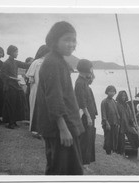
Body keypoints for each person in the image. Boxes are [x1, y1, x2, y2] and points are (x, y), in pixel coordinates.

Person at [36, 21, 84, 175]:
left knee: (66, 169)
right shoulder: (52, 63)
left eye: (74, 40)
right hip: (60, 128)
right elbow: (54, 98)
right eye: (67, 39)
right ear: (54, 41)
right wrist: (63, 129)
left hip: (65, 125)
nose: (71, 44)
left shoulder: (58, 60)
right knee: (61, 170)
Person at [0, 45, 30, 129]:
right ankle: (10, 123)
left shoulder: (16, 62)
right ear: (11, 52)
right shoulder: (6, 63)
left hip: (16, 86)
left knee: (17, 103)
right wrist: (12, 78)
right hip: (9, 86)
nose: (17, 53)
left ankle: (14, 121)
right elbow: (2, 74)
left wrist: (35, 60)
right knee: (10, 104)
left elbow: (25, 65)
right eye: (16, 52)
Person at [74, 59, 98, 165]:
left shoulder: (84, 81)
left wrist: (91, 74)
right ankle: (82, 162)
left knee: (89, 139)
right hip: (85, 115)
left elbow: (92, 79)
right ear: (86, 68)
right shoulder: (80, 82)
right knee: (84, 139)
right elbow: (81, 102)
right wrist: (88, 116)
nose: (92, 69)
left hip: (89, 113)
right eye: (91, 67)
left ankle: (85, 162)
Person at [25, 45, 50, 135]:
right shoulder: (36, 62)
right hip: (36, 89)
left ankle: (41, 128)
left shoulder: (48, 62)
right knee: (36, 108)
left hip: (45, 89)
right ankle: (35, 129)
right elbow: (30, 77)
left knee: (43, 109)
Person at [116, 90, 138, 155]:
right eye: (122, 96)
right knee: (121, 140)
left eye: (125, 96)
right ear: (119, 96)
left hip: (128, 124)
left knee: (135, 135)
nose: (123, 97)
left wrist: (133, 123)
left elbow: (130, 115)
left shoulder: (126, 105)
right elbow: (116, 114)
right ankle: (121, 153)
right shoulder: (117, 104)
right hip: (121, 125)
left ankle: (136, 148)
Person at [101, 85, 120, 155]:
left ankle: (113, 150)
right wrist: (106, 123)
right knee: (108, 138)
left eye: (113, 91)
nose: (112, 93)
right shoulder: (104, 101)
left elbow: (116, 113)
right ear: (107, 92)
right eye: (110, 91)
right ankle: (108, 151)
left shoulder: (114, 101)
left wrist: (118, 122)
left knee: (114, 138)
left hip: (114, 122)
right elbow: (103, 113)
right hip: (107, 123)